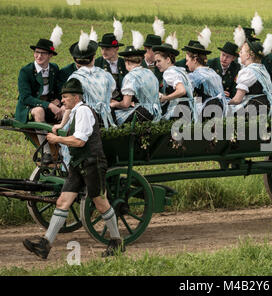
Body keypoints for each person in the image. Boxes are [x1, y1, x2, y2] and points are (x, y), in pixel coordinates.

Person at [23, 79, 124, 259]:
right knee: (63, 202)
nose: (62, 100)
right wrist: (60, 126)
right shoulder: (76, 109)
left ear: (76, 97)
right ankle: (45, 245)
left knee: (101, 204)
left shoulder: (84, 111)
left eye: (65, 97)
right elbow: (69, 112)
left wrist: (57, 139)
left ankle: (116, 241)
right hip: (78, 164)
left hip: (93, 164)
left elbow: (80, 141)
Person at [15, 38, 63, 164]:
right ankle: (46, 152)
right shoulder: (26, 71)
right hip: (29, 107)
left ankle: (64, 149)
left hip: (49, 104)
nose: (39, 56)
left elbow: (59, 88)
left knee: (65, 110)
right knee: (39, 111)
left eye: (43, 53)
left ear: (50, 55)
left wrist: (58, 100)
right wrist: (49, 105)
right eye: (37, 52)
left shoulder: (53, 69)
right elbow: (26, 98)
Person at [111, 41, 162, 125]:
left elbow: (125, 104)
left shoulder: (130, 77)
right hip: (156, 112)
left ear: (127, 62)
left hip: (142, 113)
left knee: (112, 116)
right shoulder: (149, 73)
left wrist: (115, 104)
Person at [228, 40, 272, 114]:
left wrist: (226, 103)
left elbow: (237, 100)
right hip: (266, 108)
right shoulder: (262, 69)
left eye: (241, 52)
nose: (239, 54)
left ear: (248, 55)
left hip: (251, 109)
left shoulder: (248, 72)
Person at [153, 43, 198, 122]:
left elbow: (181, 90)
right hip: (188, 108)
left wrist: (166, 98)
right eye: (156, 62)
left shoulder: (169, 73)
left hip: (178, 110)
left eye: (159, 61)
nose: (157, 64)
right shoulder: (179, 70)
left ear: (168, 60)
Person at [183, 42, 227, 118]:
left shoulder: (195, 76)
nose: (186, 64)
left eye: (187, 60)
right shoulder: (213, 72)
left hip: (207, 114)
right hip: (222, 111)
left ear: (195, 60)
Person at [95, 33, 128, 101]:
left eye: (107, 49)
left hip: (123, 101)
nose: (103, 52)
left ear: (117, 48)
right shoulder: (97, 63)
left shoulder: (124, 63)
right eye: (102, 49)